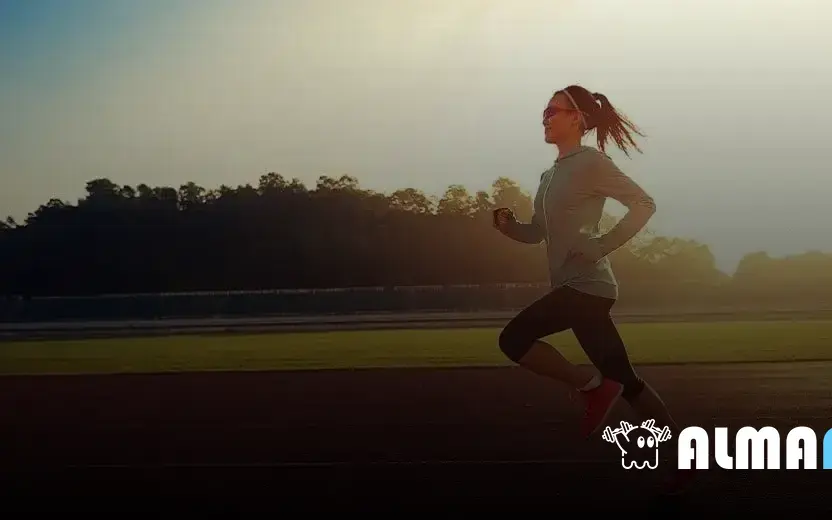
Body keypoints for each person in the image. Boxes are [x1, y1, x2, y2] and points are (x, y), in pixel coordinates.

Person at [492, 84, 692, 493]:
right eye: (544, 112)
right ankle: (679, 459)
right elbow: (539, 234)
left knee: (513, 339)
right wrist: (510, 228)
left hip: (589, 286)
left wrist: (603, 244)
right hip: (575, 287)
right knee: (629, 382)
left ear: (577, 118)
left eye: (553, 111)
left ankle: (591, 388)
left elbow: (644, 204)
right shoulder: (550, 176)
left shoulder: (592, 163)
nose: (545, 118)